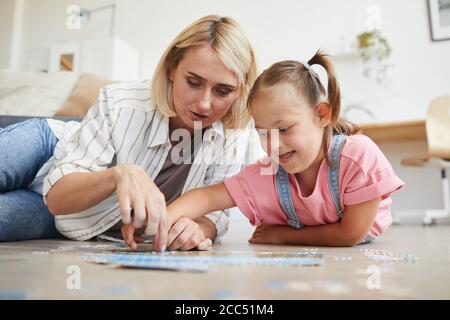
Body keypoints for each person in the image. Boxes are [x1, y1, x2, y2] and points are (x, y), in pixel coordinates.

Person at [0, 15, 257, 252]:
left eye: (223, 91)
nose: (204, 104)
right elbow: (58, 193)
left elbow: (216, 215)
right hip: (47, 150)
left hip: (71, 218)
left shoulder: (233, 135)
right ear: (171, 69)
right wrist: (120, 175)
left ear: (240, 90)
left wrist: (198, 229)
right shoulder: (120, 102)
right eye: (193, 82)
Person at [125, 50, 405, 248]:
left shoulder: (358, 156)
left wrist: (282, 236)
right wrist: (155, 222)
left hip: (358, 232)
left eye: (284, 129)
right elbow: (207, 197)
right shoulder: (269, 172)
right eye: (263, 133)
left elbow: (350, 235)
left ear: (322, 115)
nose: (274, 144)